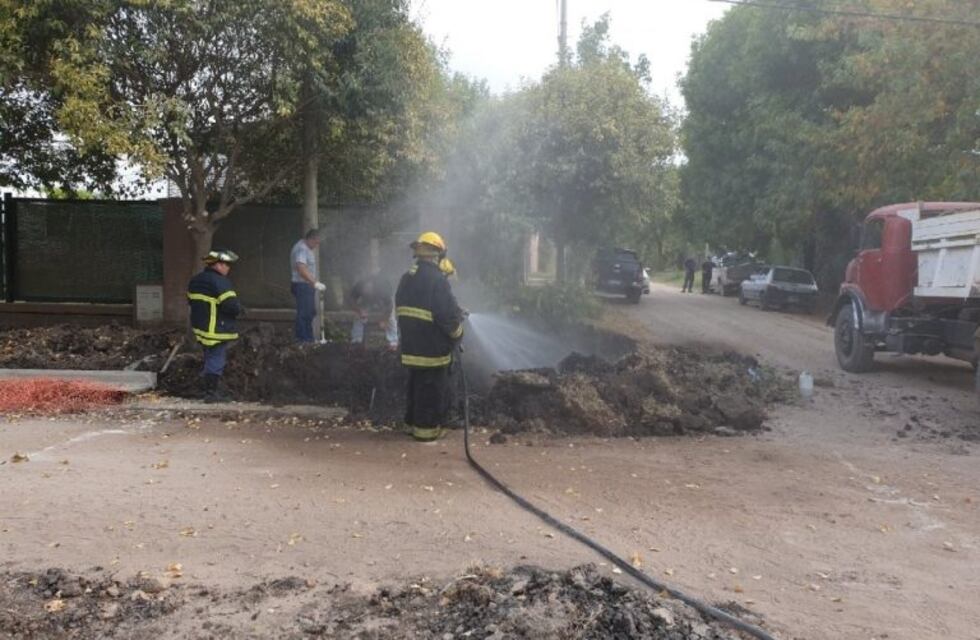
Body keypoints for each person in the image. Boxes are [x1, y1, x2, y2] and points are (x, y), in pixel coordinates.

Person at [395, 231, 465, 442]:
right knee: (431, 390)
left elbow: (406, 307)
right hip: (432, 347)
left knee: (415, 385)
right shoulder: (437, 279)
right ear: (437, 254)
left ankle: (410, 424)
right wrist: (457, 334)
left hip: (410, 345)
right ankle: (427, 431)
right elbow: (446, 315)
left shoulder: (407, 277)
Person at [187, 248, 242, 403]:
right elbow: (231, 305)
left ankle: (207, 389)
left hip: (201, 327)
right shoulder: (220, 281)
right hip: (216, 328)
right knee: (216, 359)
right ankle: (211, 393)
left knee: (209, 356)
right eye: (226, 264)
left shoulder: (196, 280)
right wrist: (240, 310)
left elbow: (191, 301)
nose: (228, 268)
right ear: (217, 265)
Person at [290, 229, 326, 343]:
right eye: (316, 243)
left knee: (309, 312)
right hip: (302, 285)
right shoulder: (302, 249)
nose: (316, 245)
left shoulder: (305, 248)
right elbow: (301, 269)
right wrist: (314, 283)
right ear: (311, 239)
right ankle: (303, 340)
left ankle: (309, 339)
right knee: (304, 313)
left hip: (305, 285)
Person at [349, 272, 397, 350]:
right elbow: (351, 300)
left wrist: (384, 320)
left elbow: (389, 306)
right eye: (365, 293)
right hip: (366, 302)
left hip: (382, 302)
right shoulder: (359, 285)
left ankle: (393, 341)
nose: (367, 293)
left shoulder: (383, 288)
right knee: (358, 317)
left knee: (391, 318)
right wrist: (360, 311)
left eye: (369, 293)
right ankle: (356, 340)